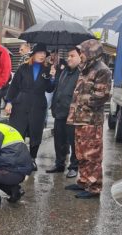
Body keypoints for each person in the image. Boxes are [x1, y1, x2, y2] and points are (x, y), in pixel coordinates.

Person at [65, 39, 112, 199]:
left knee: (92, 155)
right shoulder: (85, 69)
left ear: (92, 52)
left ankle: (94, 187)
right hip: (80, 119)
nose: (81, 55)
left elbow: (101, 96)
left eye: (83, 52)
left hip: (91, 121)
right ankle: (83, 182)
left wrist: (82, 102)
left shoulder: (102, 70)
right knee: (81, 154)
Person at [4, 43, 55, 171]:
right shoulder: (23, 68)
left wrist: (53, 77)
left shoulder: (48, 69)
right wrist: (9, 101)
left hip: (38, 104)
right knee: (18, 131)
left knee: (35, 133)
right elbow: (14, 86)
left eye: (44, 54)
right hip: (21, 103)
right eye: (40, 53)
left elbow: (49, 89)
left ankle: (32, 159)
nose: (42, 55)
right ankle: (19, 158)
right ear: (33, 54)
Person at [46, 46, 81, 178]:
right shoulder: (64, 71)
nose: (69, 58)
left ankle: (74, 166)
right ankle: (59, 164)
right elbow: (56, 89)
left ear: (79, 57)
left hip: (72, 114)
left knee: (73, 141)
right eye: (68, 56)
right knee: (59, 140)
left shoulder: (81, 73)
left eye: (72, 56)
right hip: (59, 111)